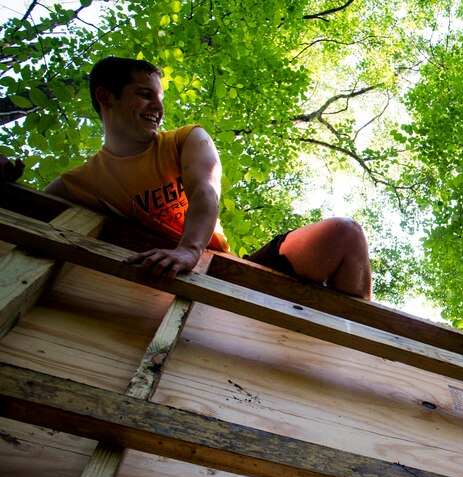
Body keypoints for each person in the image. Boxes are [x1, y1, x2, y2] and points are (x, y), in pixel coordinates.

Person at [1, 56, 372, 299]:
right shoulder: (77, 183)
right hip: (155, 291)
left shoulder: (185, 140)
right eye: (145, 95)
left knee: (345, 234)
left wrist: (190, 249)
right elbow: (31, 223)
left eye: (159, 97)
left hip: (227, 269)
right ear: (105, 97)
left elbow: (205, 190)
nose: (158, 107)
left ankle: (361, 345)